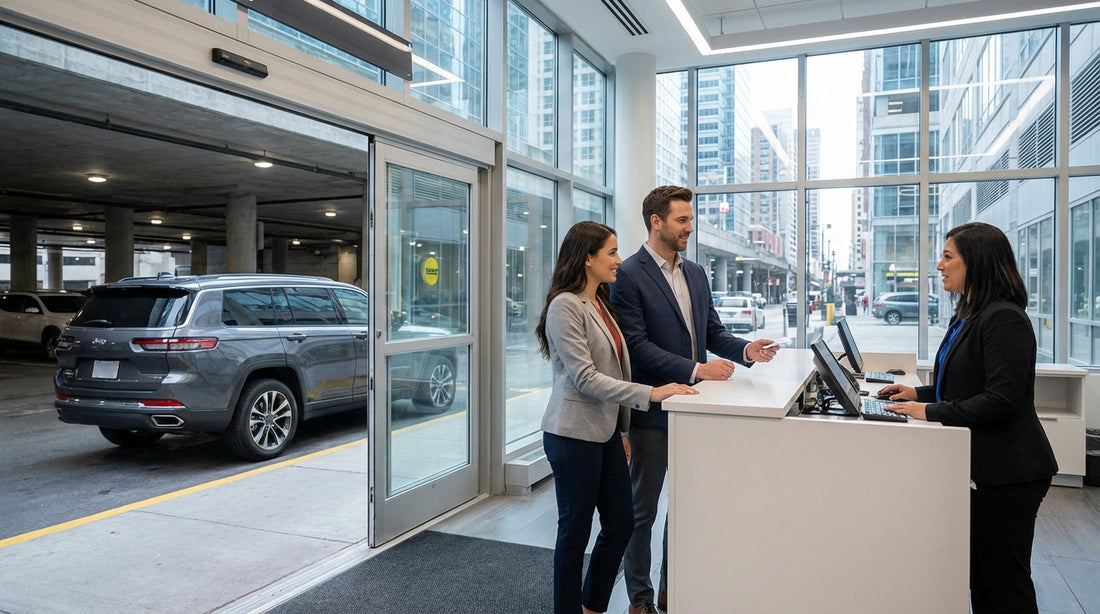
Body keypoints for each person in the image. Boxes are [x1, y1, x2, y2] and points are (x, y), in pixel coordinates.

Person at [610, 185, 778, 614]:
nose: (690, 226)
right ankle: (640, 600)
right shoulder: (629, 275)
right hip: (652, 412)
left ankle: (672, 590)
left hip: (694, 411)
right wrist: (695, 369)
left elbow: (711, 333)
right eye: (682, 220)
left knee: (684, 509)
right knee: (642, 513)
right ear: (656, 222)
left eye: (690, 218)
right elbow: (636, 345)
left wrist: (743, 351)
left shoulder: (697, 273)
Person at [877, 222, 1057, 614]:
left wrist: (930, 410)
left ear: (977, 262)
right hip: (985, 468)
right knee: (984, 577)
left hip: (1010, 472)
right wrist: (918, 393)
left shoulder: (1004, 318)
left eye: (948, 257)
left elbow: (1000, 401)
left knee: (1003, 584)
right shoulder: (970, 313)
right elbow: (962, 382)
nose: (939, 266)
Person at [535, 220, 698, 614]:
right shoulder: (565, 306)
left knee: (621, 524)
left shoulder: (600, 303)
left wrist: (623, 429)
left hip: (606, 433)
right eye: (610, 252)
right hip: (572, 435)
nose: (618, 260)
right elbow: (587, 378)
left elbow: (617, 367)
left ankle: (592, 605)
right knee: (573, 535)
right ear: (587, 259)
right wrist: (653, 393)